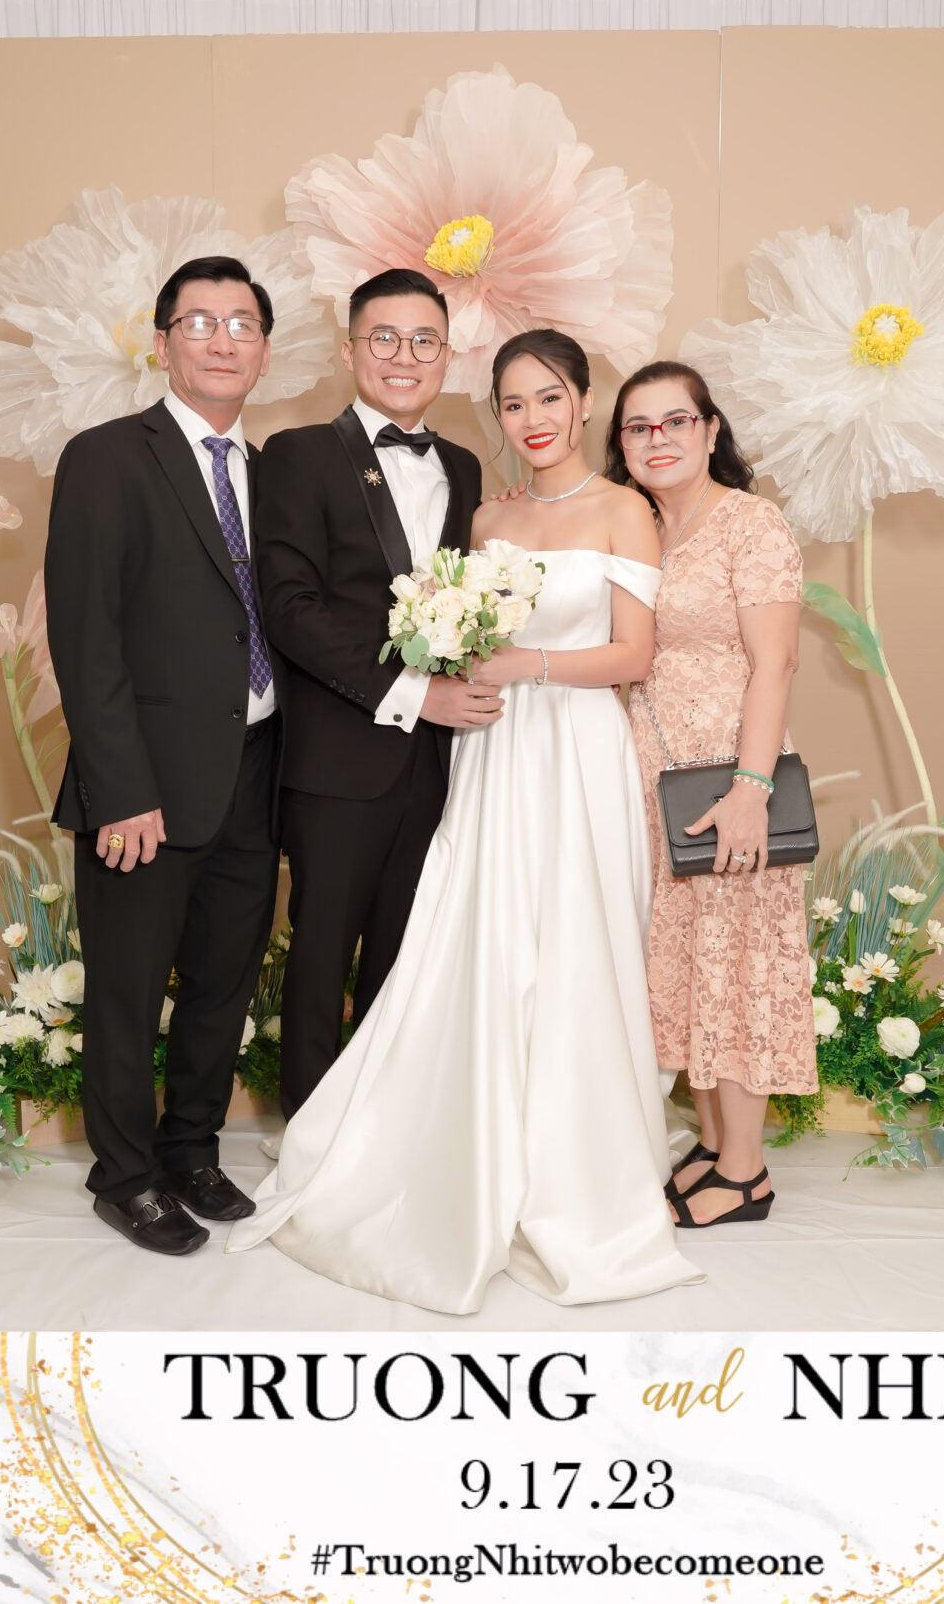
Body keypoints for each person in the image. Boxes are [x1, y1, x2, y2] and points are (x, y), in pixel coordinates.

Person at [226, 330, 704, 1313]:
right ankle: (464, 1143)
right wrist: (453, 659)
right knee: (481, 940)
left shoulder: (625, 509)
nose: (532, 419)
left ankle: (575, 1167)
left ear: (584, 403)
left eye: (549, 398)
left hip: (576, 752)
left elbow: (634, 655)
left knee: (576, 942)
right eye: (512, 403)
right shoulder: (485, 515)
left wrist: (524, 665)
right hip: (488, 751)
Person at [42, 255, 282, 1256]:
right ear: (162, 342)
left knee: (222, 987)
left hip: (254, 772)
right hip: (144, 786)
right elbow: (84, 636)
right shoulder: (106, 457)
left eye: (242, 324)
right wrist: (120, 790)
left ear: (264, 350)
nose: (223, 340)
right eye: (201, 322)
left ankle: (191, 1151)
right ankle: (125, 1176)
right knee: (129, 991)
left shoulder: (270, 472)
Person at [253, 268, 491, 1130]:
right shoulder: (299, 454)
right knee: (321, 954)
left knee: (405, 951)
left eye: (424, 340)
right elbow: (291, 609)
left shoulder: (464, 466)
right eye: (383, 337)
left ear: (447, 356)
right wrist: (413, 695)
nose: (404, 355)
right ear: (351, 349)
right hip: (341, 755)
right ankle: (311, 1132)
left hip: (438, 762)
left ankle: (382, 1134)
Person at [608, 361, 811, 1227]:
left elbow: (777, 662)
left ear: (711, 429)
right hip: (650, 779)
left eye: (675, 421)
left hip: (728, 777)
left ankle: (745, 1172)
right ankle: (717, 1143)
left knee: (737, 966)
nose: (658, 439)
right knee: (691, 966)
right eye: (638, 426)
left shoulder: (750, 524)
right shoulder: (636, 523)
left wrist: (750, 789)